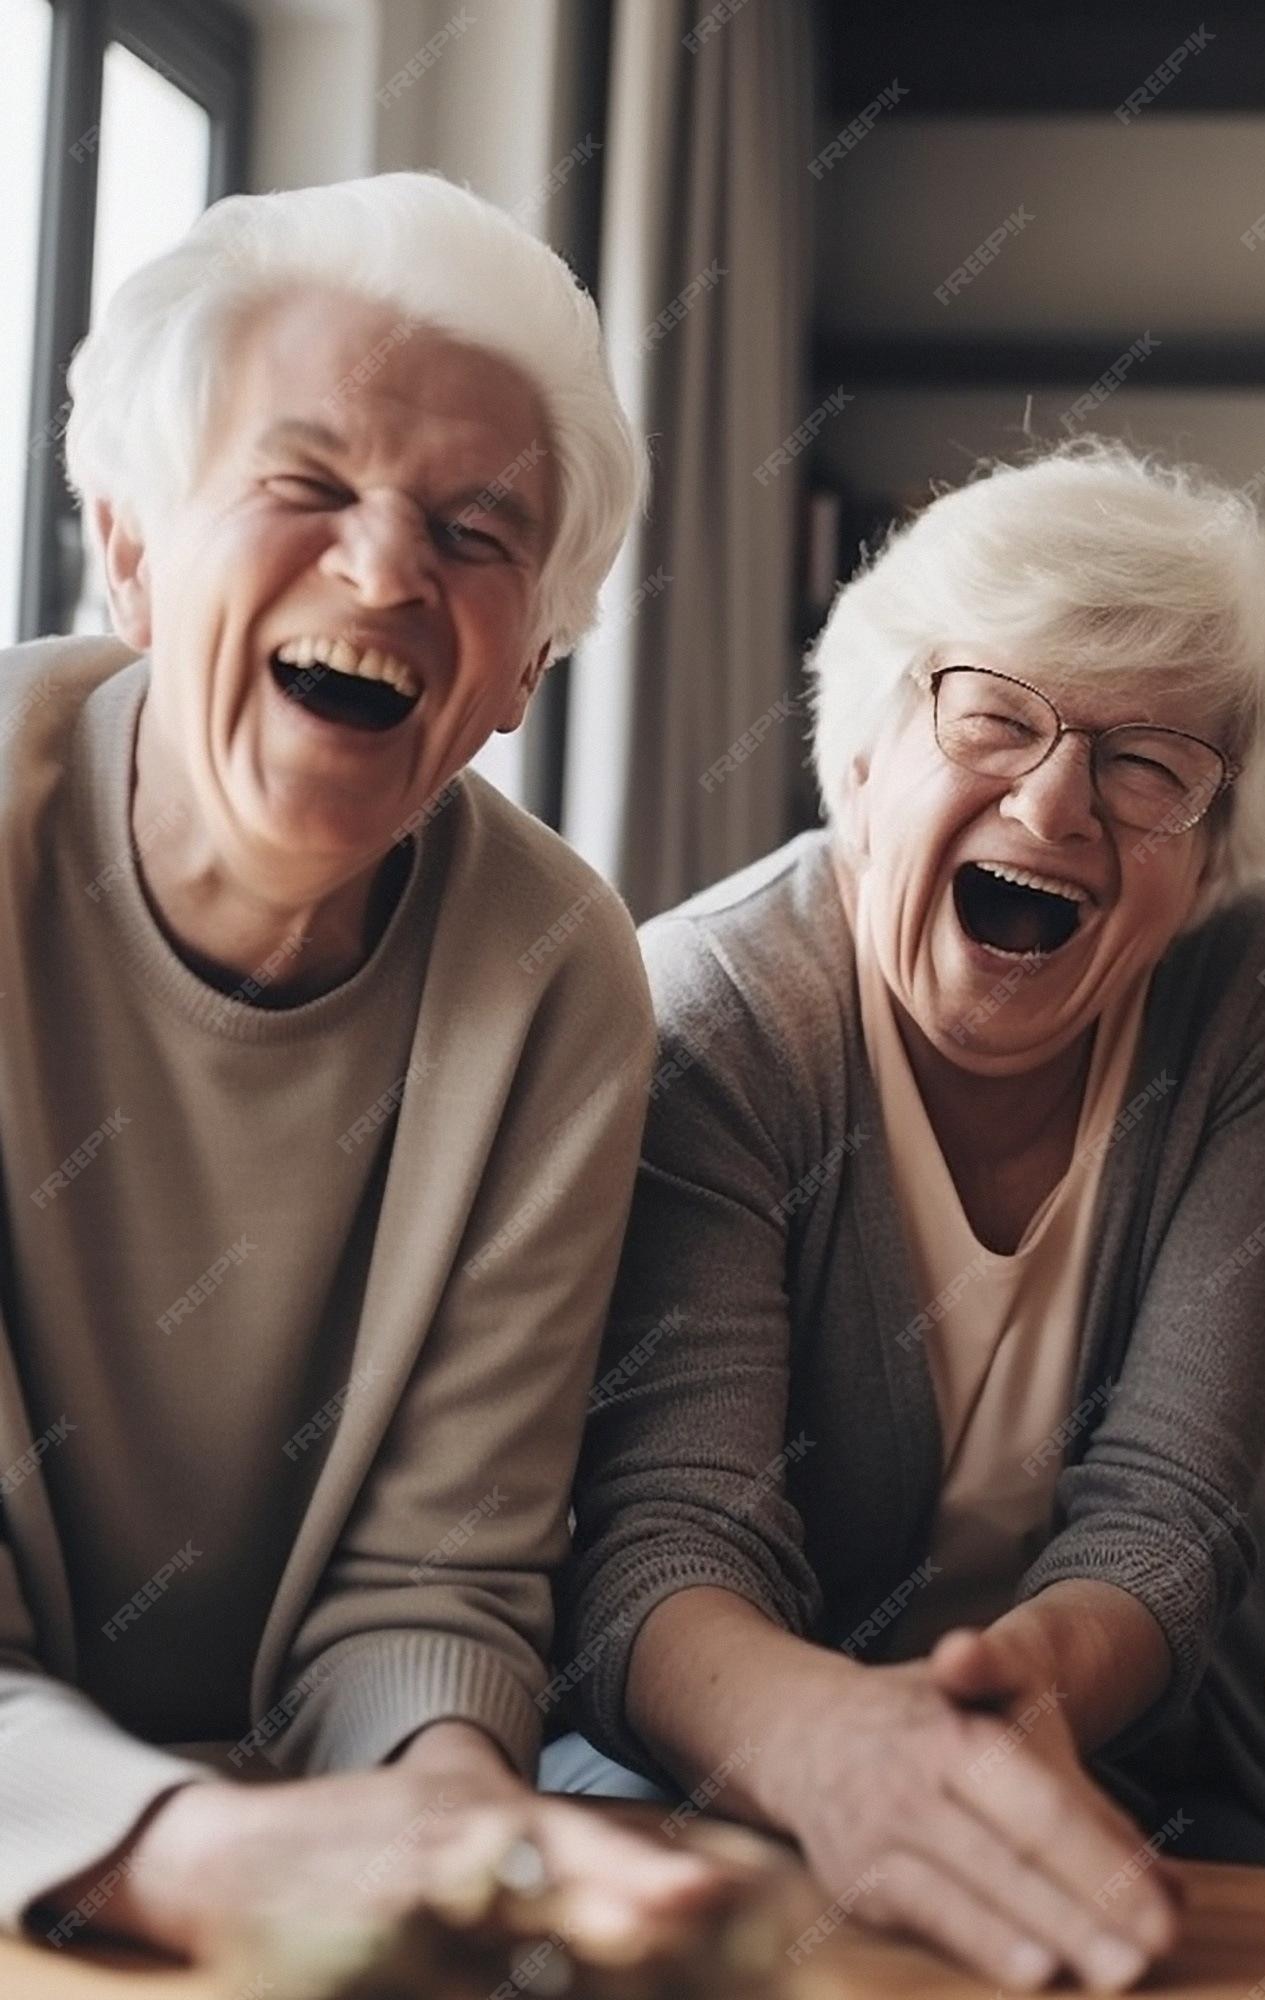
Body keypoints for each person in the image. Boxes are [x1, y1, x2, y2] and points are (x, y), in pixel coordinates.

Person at [0, 171, 712, 1957]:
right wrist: (195, 1857)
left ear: (524, 673)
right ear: (135, 549)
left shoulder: (556, 974)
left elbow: (434, 1583)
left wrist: (463, 1828)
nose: (386, 569)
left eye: (479, 533)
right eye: (305, 485)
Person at [553, 443, 1265, 1992]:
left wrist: (1018, 1701)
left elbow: (1171, 1505)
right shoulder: (713, 1019)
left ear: (1203, 858)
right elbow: (669, 1542)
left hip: (1136, 1743)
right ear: (862, 760)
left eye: (1149, 765)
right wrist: (851, 1755)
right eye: (993, 715)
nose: (1057, 800)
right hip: (739, 1757)